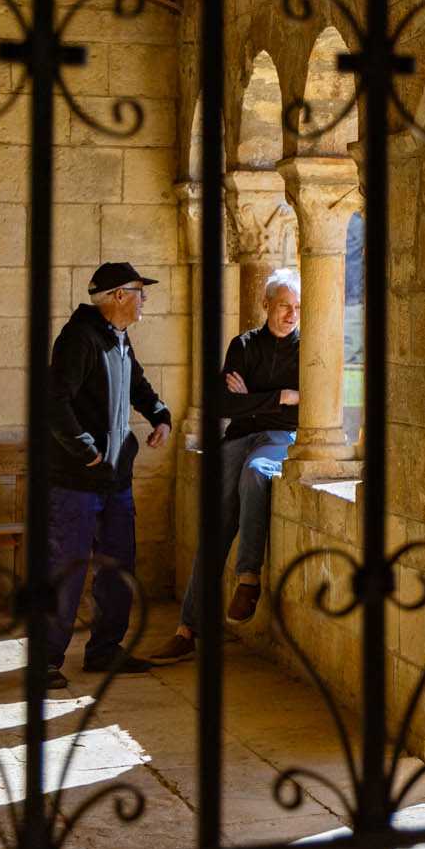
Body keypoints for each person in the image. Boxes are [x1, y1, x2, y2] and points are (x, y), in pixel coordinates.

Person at [149, 270, 301, 664]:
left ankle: (248, 578)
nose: (291, 314)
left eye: (298, 307)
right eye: (284, 305)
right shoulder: (244, 345)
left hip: (277, 439)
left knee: (257, 473)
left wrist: (254, 399)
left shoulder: (308, 349)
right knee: (214, 530)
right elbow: (222, 405)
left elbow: (307, 402)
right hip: (237, 438)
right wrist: (279, 397)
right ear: (266, 304)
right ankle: (187, 630)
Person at [45, 261, 172, 692]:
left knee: (119, 566)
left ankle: (104, 650)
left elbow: (137, 385)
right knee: (68, 568)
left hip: (116, 477)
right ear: (119, 295)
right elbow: (54, 403)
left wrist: (160, 415)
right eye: (140, 290)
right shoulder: (79, 339)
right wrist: (86, 452)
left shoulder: (119, 338)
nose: (144, 299)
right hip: (76, 479)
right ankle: (45, 660)